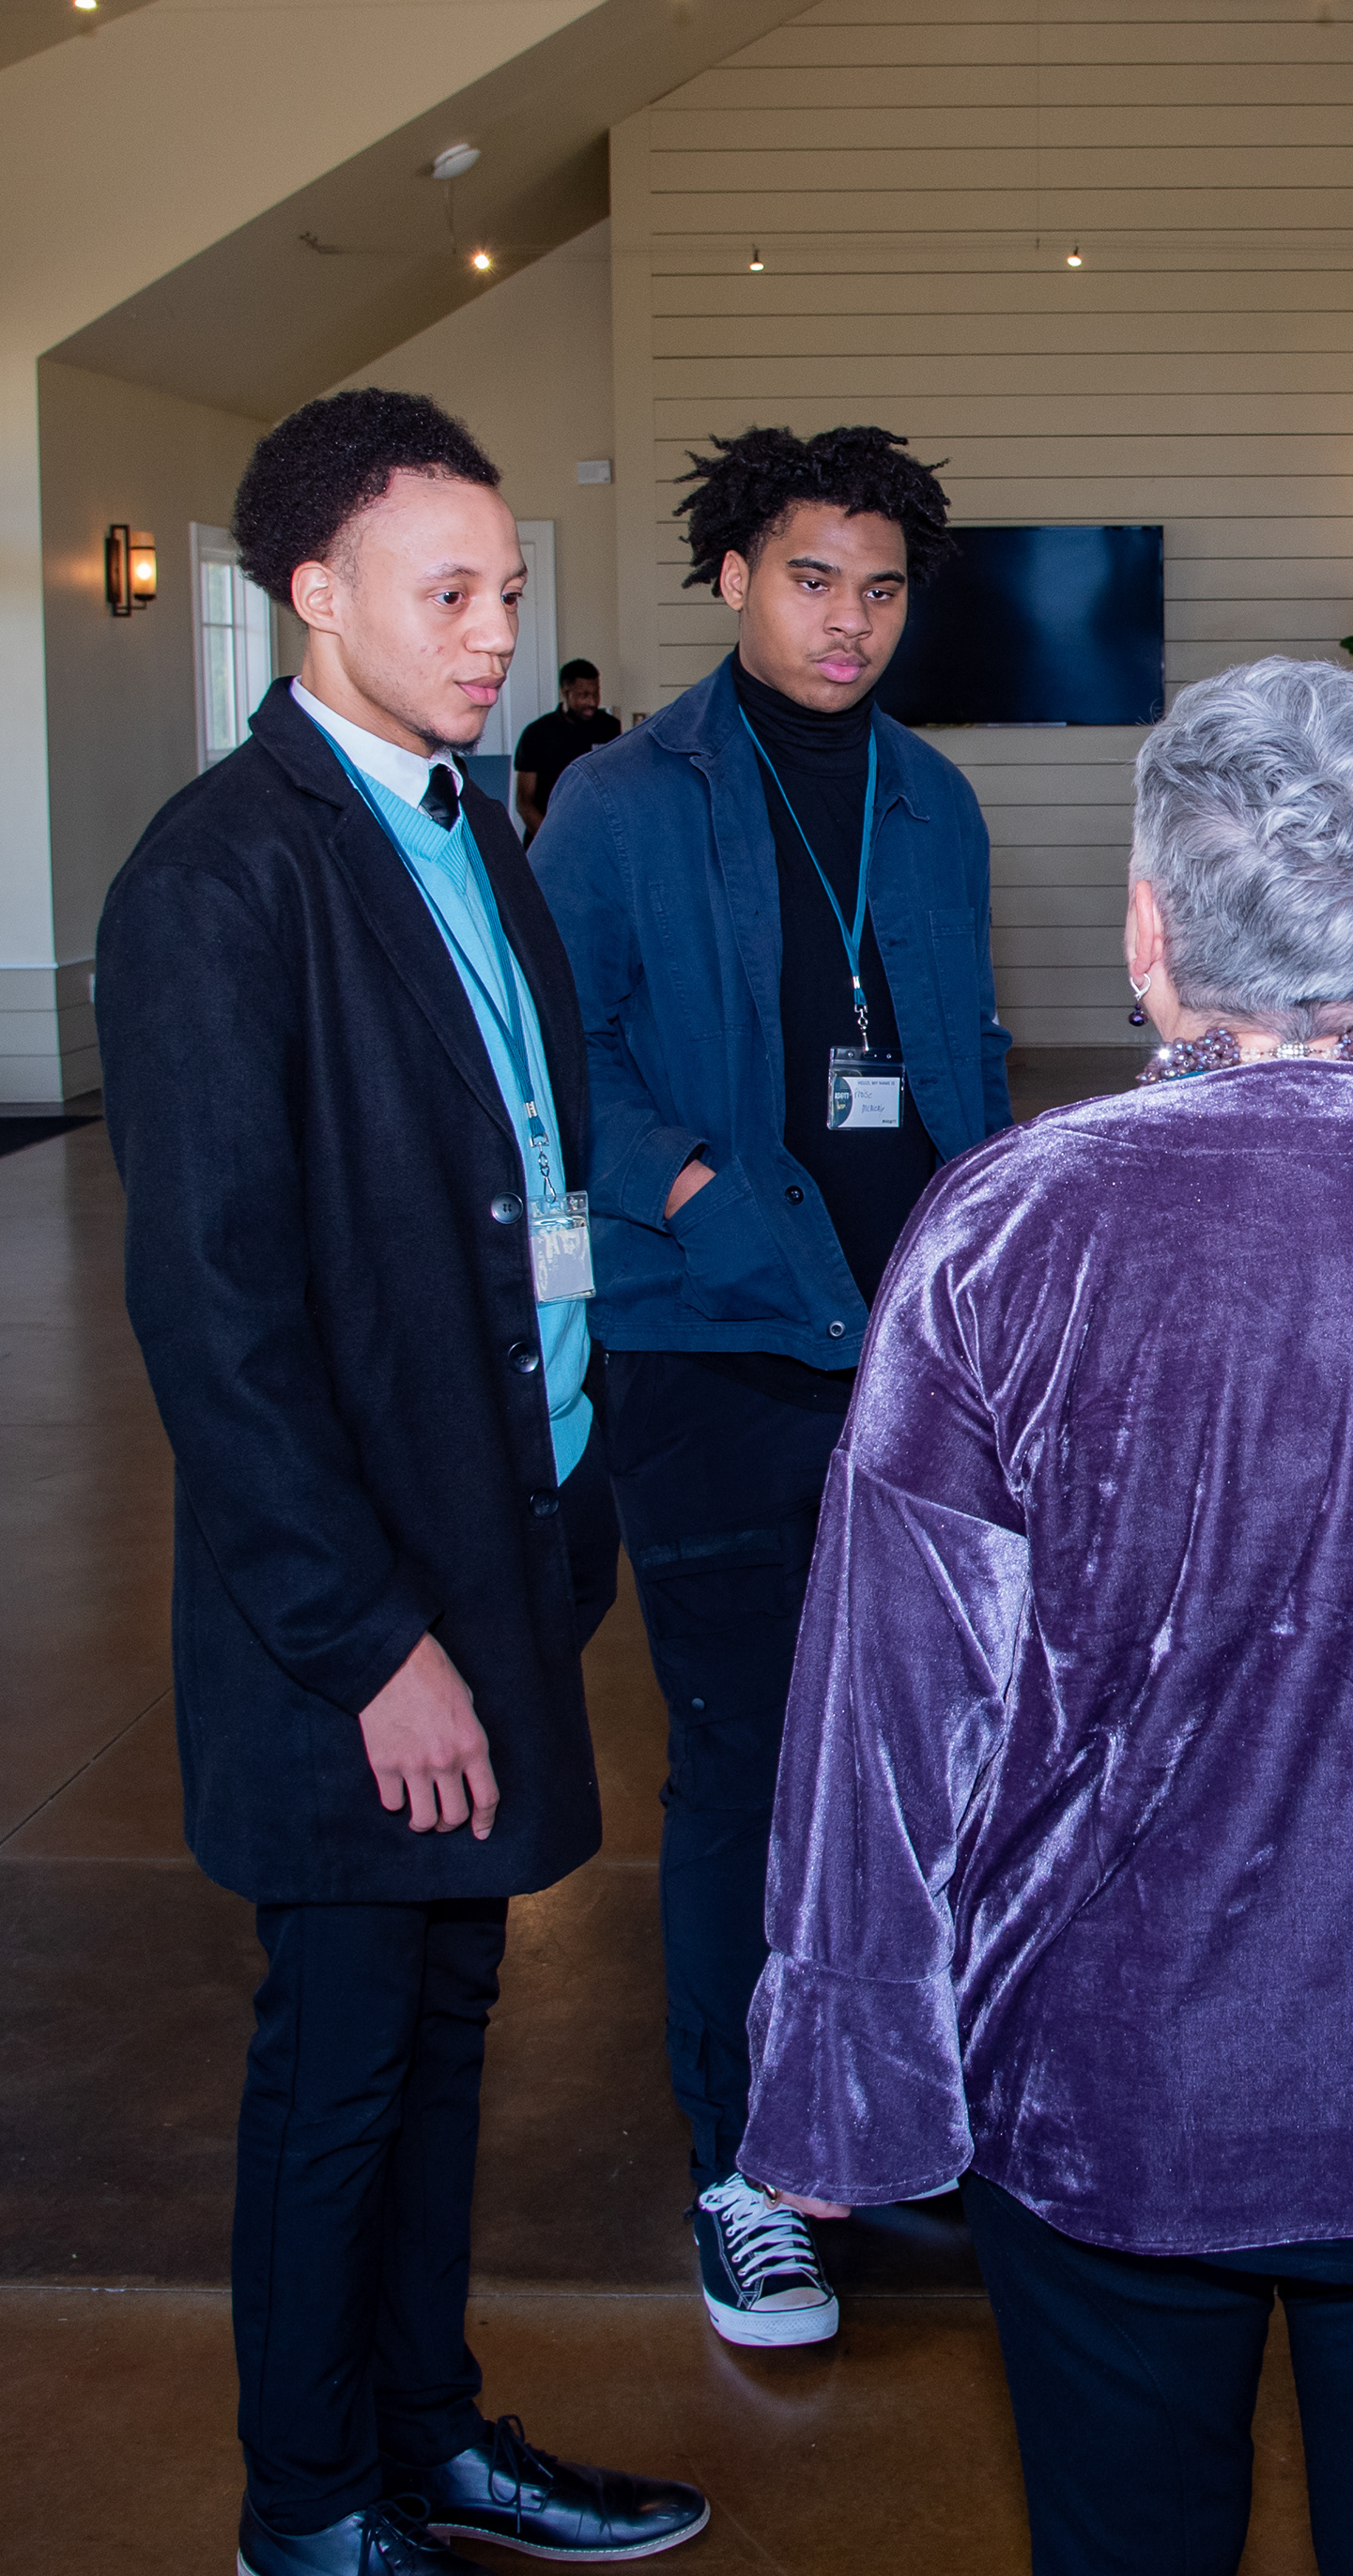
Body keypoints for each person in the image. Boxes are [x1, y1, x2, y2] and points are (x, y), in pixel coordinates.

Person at [736, 657, 1353, 2576]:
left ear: (1151, 923)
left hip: (1113, 2053)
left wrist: (843, 2067)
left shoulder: (1008, 1222)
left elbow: (892, 1688)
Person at [97, 391, 708, 2576]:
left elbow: (520, 1180)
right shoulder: (220, 876)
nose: (491, 631)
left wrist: (559, 1519)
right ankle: (308, 2509)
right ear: (314, 593)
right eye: (446, 593)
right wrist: (373, 1644)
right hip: (357, 1614)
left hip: (498, 1540)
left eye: (507, 590)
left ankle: (427, 2436)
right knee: (342, 2057)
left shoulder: (468, 829)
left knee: (449, 2027)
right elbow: (219, 1326)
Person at [530, 424, 1010, 2353]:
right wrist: (700, 1196)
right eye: (813, 579)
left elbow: (962, 1066)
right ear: (733, 577)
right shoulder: (620, 800)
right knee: (748, 1762)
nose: (849, 622)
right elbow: (566, 1054)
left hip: (916, 1356)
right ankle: (749, 2170)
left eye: (881, 590)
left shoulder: (935, 801)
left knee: (923, 1759)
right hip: (713, 1343)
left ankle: (881, 2116)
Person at [512, 657, 620, 837]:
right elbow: (524, 801)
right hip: (547, 835)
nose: (592, 702)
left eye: (596, 694)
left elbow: (616, 782)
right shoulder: (537, 733)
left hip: (596, 835)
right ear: (565, 691)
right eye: (584, 695)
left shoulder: (610, 728)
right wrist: (552, 838)